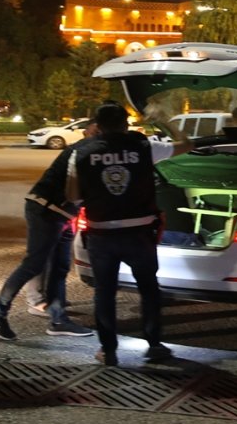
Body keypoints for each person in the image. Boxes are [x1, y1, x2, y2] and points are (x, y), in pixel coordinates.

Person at [67, 103, 193, 366]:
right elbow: (186, 145)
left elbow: (73, 196)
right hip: (139, 234)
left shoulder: (81, 154)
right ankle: (155, 345)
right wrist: (165, 118)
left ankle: (108, 350)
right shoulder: (145, 148)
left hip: (102, 236)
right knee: (149, 290)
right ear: (126, 124)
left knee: (104, 293)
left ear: (98, 126)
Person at [0, 123, 110, 340]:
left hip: (64, 214)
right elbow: (75, 188)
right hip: (46, 210)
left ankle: (59, 320)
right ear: (96, 128)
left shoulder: (97, 149)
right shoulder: (85, 150)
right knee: (34, 264)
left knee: (59, 267)